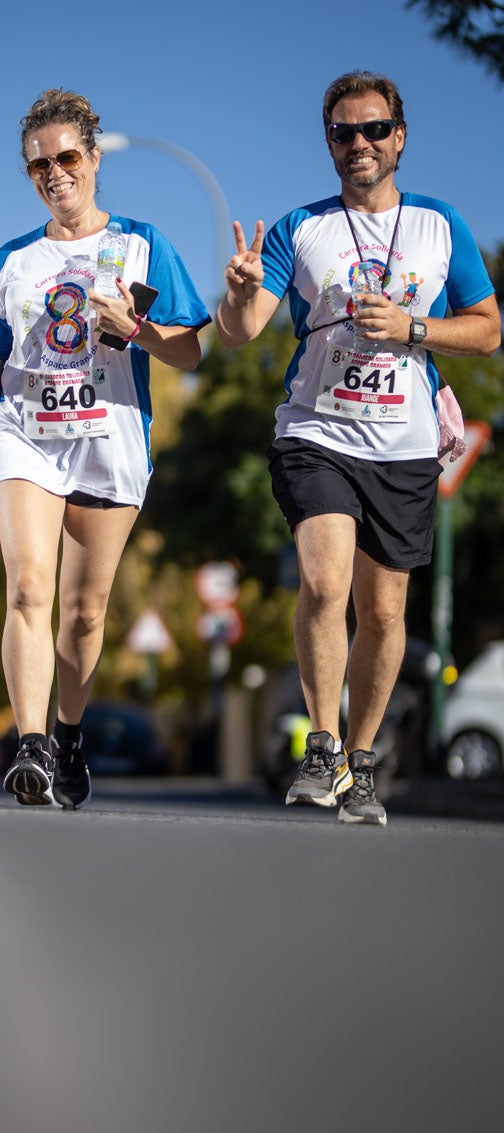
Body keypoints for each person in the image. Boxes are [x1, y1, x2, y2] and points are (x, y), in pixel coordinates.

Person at [0, 87, 210, 809]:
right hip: (25, 437)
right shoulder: (15, 259)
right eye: (38, 164)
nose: (54, 172)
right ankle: (32, 746)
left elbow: (192, 351)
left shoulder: (143, 243)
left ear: (94, 158)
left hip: (109, 439)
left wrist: (134, 330)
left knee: (83, 612)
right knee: (29, 588)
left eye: (67, 156)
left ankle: (68, 733)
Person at [216, 70, 500, 827]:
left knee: (382, 609)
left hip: (403, 444)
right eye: (344, 132)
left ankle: (363, 763)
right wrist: (242, 290)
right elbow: (240, 331)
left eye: (374, 129)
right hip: (316, 433)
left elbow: (489, 328)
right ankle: (323, 745)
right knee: (324, 580)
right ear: (329, 144)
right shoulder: (299, 229)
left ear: (399, 138)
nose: (359, 144)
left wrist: (413, 328)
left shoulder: (442, 226)